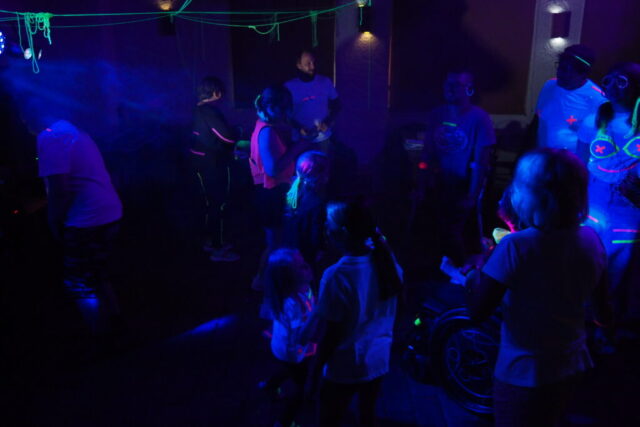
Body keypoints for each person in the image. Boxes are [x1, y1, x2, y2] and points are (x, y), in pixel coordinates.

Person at [465, 148, 613, 427]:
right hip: (573, 363)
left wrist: (475, 275)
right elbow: (602, 311)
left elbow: (477, 311)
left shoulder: (516, 246)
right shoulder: (591, 238)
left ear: (530, 194)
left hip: (524, 372)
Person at [309, 200, 402, 426]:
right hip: (378, 358)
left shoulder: (337, 276)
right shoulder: (388, 263)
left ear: (342, 232)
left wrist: (313, 373)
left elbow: (330, 334)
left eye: (328, 223)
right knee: (366, 413)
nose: (325, 228)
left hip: (345, 365)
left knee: (329, 419)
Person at [37, 119, 123, 342]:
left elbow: (58, 190)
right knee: (98, 274)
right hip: (108, 211)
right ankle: (116, 326)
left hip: (86, 218)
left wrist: (53, 222)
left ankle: (100, 338)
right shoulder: (74, 130)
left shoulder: (50, 136)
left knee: (78, 283)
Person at [577, 62, 640, 327]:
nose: (613, 86)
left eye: (621, 81)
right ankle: (581, 323)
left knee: (618, 271)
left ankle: (605, 327)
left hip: (629, 210)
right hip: (593, 205)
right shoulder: (592, 120)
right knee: (587, 265)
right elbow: (579, 165)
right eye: (608, 80)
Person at [419, 69, 495, 267]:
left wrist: (472, 195)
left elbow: (481, 162)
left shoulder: (479, 118)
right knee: (437, 229)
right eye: (447, 84)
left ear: (469, 89)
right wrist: (422, 183)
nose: (450, 88)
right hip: (439, 183)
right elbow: (427, 153)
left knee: (456, 232)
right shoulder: (436, 114)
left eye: (456, 84)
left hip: (463, 185)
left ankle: (462, 270)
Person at [249, 85, 312, 288]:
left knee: (278, 240)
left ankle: (272, 281)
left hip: (272, 192)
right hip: (271, 194)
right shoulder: (267, 132)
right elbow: (273, 169)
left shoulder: (264, 124)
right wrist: (298, 147)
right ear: (272, 107)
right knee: (274, 243)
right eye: (283, 108)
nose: (286, 113)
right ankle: (261, 281)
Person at [261, 248, 316, 427]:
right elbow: (300, 335)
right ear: (289, 278)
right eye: (301, 266)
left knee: (286, 369)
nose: (308, 266)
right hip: (293, 351)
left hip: (282, 347)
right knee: (300, 388)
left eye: (304, 262)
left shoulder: (295, 291)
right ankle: (284, 422)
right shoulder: (293, 304)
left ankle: (269, 386)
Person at [190, 76, 239, 262]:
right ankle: (218, 249)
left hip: (200, 162)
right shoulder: (209, 111)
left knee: (209, 204)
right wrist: (238, 131)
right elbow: (227, 136)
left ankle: (210, 241)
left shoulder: (197, 109)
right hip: (212, 164)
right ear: (217, 93)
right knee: (218, 203)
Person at [534, 44, 605, 155]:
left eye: (567, 70)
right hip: (545, 157)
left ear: (583, 73)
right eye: (560, 67)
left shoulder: (598, 98)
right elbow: (539, 120)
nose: (560, 73)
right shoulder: (549, 86)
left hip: (574, 161)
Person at [282, 150, 330, 289]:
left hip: (292, 244)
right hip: (308, 249)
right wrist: (321, 248)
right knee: (309, 278)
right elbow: (316, 230)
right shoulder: (317, 202)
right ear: (320, 175)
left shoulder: (293, 189)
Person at [284, 49, 340, 151]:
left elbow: (337, 105)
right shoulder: (289, 87)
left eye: (313, 62)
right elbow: (284, 114)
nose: (313, 67)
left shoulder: (325, 82)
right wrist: (298, 128)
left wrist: (327, 122)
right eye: (308, 64)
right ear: (299, 65)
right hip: (299, 140)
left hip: (323, 138)